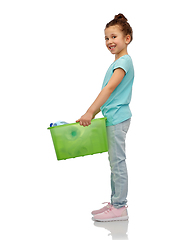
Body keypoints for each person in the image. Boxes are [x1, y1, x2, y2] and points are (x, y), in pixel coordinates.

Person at [76, 13, 134, 222]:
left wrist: (90, 111)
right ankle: (115, 203)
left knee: (117, 163)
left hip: (118, 119)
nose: (109, 42)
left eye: (113, 37)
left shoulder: (124, 62)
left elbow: (109, 89)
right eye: (106, 38)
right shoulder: (118, 62)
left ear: (127, 38)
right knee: (114, 162)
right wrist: (94, 114)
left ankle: (120, 207)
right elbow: (110, 95)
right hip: (113, 117)